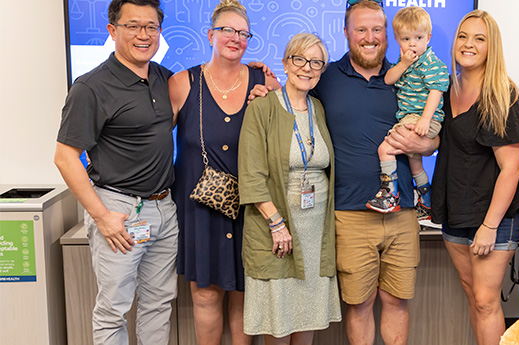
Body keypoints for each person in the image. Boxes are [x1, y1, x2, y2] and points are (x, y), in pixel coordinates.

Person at [310, 1, 439, 344]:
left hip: (403, 212)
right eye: (361, 30)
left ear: (389, 33)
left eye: (377, 29)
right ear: (346, 33)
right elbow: (290, 98)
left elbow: (436, 130)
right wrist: (261, 86)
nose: (370, 37)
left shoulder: (408, 75)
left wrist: (428, 145)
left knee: (396, 301)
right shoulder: (325, 78)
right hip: (349, 213)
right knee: (360, 303)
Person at [53, 0, 178, 343]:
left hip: (164, 207)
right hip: (118, 211)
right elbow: (65, 157)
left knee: (159, 304)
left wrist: (255, 73)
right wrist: (103, 217)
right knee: (113, 309)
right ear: (112, 31)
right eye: (133, 26)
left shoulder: (162, 78)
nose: (143, 34)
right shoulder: (91, 87)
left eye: (151, 27)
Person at [167, 0, 280, 344]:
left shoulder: (266, 80)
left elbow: (290, 132)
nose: (235, 38)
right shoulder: (181, 82)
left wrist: (276, 99)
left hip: (253, 206)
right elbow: (152, 143)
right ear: (210, 34)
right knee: (205, 294)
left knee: (245, 293)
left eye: (243, 33)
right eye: (227, 30)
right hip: (199, 208)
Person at [430, 10, 519, 345]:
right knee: (473, 293)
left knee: (486, 300)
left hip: (494, 217)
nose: (468, 44)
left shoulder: (502, 94)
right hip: (456, 210)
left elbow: (512, 168)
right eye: (462, 36)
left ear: (492, 47)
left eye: (479, 38)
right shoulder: (446, 90)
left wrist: (489, 226)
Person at [238, 33, 341, 345]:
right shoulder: (262, 108)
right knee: (279, 322)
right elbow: (251, 174)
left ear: (322, 70)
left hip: (315, 232)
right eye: (299, 59)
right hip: (278, 231)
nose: (307, 67)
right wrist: (277, 223)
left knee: (307, 316)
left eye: (315, 62)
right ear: (285, 63)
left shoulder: (319, 109)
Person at [365, 6, 449, 215]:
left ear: (428, 37)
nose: (412, 44)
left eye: (418, 38)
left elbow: (436, 92)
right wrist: (403, 63)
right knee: (415, 164)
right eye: (406, 39)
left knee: (385, 149)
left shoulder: (432, 64)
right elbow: (388, 79)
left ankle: (389, 195)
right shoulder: (404, 64)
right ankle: (426, 200)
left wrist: (425, 121)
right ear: (397, 39)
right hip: (410, 118)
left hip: (421, 118)